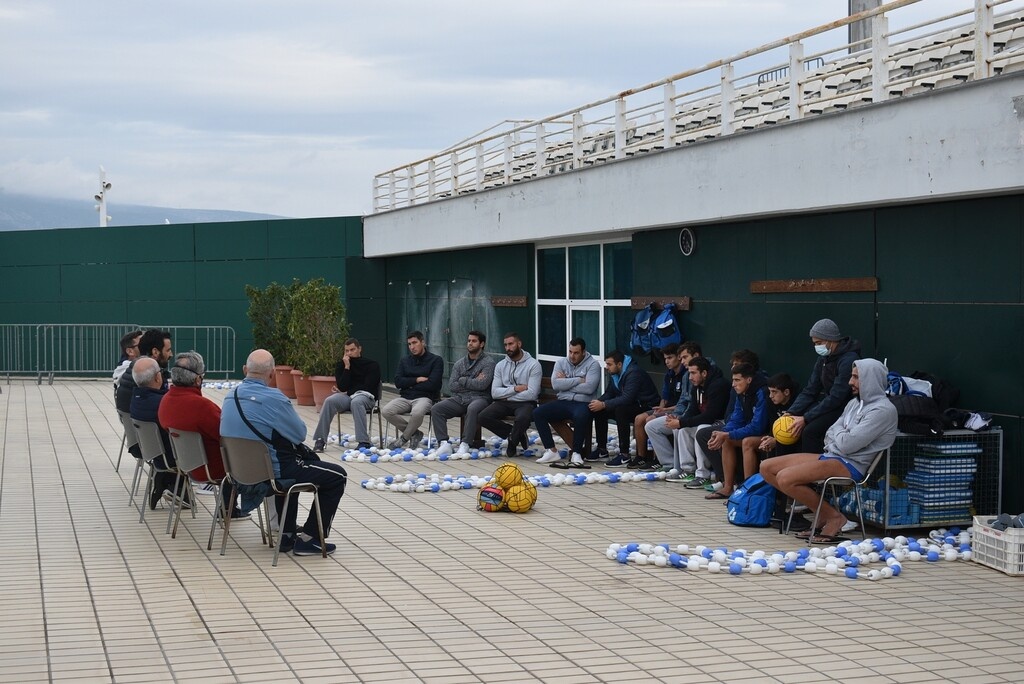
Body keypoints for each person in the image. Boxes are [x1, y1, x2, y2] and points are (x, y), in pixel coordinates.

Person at [220, 349, 348, 557]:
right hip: (272, 473)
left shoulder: (229, 396)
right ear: (271, 374)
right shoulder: (275, 398)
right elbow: (299, 434)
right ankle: (311, 538)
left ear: (245, 370)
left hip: (238, 474)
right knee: (337, 475)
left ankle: (287, 534)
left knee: (284, 463)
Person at [761, 358, 897, 543]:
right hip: (832, 455)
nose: (850, 382)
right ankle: (823, 514)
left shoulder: (883, 410)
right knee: (767, 467)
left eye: (856, 377)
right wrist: (840, 438)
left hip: (852, 465)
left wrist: (839, 437)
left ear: (871, 379)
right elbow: (831, 433)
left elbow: (847, 444)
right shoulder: (853, 404)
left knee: (785, 478)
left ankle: (834, 517)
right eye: (851, 377)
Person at [157, 351, 240, 516]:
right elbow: (226, 435)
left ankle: (228, 508)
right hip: (213, 469)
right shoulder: (203, 407)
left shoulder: (165, 401)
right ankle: (229, 510)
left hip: (186, 466)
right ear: (198, 379)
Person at [785, 318, 861, 454]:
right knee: (787, 426)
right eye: (814, 343)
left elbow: (837, 397)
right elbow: (810, 389)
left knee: (810, 431)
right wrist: (791, 412)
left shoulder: (849, 359)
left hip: (845, 408)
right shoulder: (823, 359)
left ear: (830, 340)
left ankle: (813, 470)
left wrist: (806, 418)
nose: (816, 347)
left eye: (819, 343)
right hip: (829, 405)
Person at [653, 357, 730, 484]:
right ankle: (688, 470)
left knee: (701, 429)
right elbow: (693, 410)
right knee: (683, 430)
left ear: (704, 373)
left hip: (721, 422)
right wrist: (680, 420)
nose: (690, 377)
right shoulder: (697, 387)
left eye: (693, 373)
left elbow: (710, 415)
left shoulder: (719, 385)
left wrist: (681, 422)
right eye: (689, 373)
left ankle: (703, 475)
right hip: (708, 421)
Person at [129, 356, 188, 511]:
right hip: (173, 458)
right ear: (157, 377)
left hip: (155, 456)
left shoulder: (136, 399)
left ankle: (167, 482)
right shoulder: (164, 403)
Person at [704, 362, 769, 500]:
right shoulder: (741, 392)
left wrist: (727, 433)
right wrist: (723, 432)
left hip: (768, 434)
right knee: (726, 440)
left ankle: (748, 490)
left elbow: (758, 427)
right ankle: (728, 487)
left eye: (737, 380)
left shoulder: (761, 392)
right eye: (733, 380)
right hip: (754, 431)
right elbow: (736, 418)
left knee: (747, 442)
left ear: (749, 380)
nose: (733, 384)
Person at [533, 337, 602, 467]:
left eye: (576, 353)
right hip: (563, 401)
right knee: (538, 412)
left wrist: (566, 381)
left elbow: (589, 388)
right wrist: (578, 380)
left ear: (583, 352)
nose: (572, 356)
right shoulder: (561, 363)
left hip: (583, 403)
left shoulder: (593, 365)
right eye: (570, 352)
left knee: (580, 416)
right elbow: (555, 385)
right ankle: (551, 450)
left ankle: (576, 453)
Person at [478, 332, 542, 458]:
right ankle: (515, 434)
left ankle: (512, 442)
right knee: (482, 417)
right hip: (504, 402)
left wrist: (506, 394)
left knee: (523, 418)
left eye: (511, 344)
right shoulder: (501, 365)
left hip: (525, 403)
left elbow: (532, 394)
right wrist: (516, 389)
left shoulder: (533, 365)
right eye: (505, 345)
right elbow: (495, 393)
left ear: (519, 344)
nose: (508, 348)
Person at [312, 338, 381, 453]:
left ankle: (363, 441)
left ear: (359, 349)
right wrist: (347, 367)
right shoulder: (342, 365)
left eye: (352, 350)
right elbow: (343, 386)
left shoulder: (372, 365)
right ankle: (320, 439)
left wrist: (348, 392)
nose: (349, 353)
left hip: (366, 397)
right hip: (348, 397)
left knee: (356, 401)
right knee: (330, 400)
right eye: (347, 351)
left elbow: (368, 386)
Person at [433, 331, 496, 457]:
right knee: (437, 408)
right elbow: (452, 386)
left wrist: (463, 380)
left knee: (472, 409)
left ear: (482, 344)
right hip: (460, 398)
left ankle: (465, 443)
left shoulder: (488, 362)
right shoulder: (459, 363)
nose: (470, 343)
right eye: (469, 341)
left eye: (474, 341)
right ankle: (444, 443)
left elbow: (482, 385)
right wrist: (473, 380)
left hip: (481, 398)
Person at [592, 350, 660, 467]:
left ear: (619, 364)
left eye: (609, 364)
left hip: (646, 406)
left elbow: (627, 398)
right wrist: (598, 402)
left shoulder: (634, 373)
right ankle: (602, 449)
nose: (607, 367)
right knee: (600, 411)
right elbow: (609, 393)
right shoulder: (615, 374)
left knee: (620, 410)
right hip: (632, 405)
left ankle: (624, 455)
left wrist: (604, 404)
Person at [382, 331, 444, 448]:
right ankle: (415, 433)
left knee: (416, 412)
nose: (412, 347)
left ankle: (403, 438)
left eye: (415, 343)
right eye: (409, 344)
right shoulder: (405, 361)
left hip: (425, 398)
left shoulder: (436, 360)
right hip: (406, 397)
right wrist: (416, 380)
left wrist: (408, 384)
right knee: (386, 410)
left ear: (423, 342)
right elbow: (398, 382)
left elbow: (433, 385)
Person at [631, 343, 685, 468]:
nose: (667, 361)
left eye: (670, 358)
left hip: (677, 410)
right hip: (667, 408)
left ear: (679, 357)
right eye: (665, 358)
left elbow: (683, 403)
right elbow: (664, 399)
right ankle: (642, 457)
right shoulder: (669, 375)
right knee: (639, 419)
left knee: (650, 420)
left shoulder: (686, 375)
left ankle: (657, 460)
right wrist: (660, 410)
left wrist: (664, 410)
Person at [116, 328, 172, 415]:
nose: (171, 354)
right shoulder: (148, 376)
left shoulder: (129, 373)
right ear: (155, 352)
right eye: (168, 350)